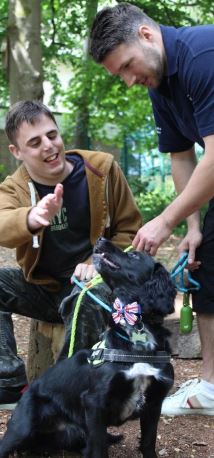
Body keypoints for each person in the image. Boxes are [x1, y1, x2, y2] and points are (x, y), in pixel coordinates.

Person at [90, 3, 214, 416]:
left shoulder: (202, 55)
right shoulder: (159, 86)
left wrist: (166, 220)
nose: (128, 81)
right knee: (206, 265)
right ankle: (211, 388)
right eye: (119, 75)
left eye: (126, 66)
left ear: (146, 35)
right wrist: (191, 227)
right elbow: (182, 157)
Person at [0, 100, 142, 410]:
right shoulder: (15, 188)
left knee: (85, 298)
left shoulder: (101, 169)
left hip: (96, 288)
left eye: (52, 135)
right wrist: (30, 218)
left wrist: (98, 261)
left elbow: (130, 232)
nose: (49, 146)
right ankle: (8, 379)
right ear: (17, 152)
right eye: (35, 142)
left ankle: (66, 398)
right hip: (46, 289)